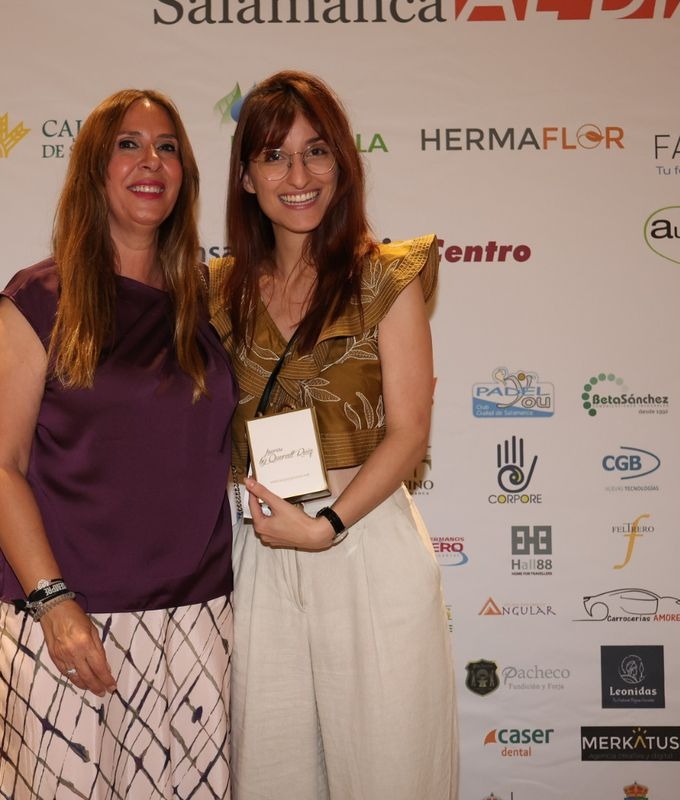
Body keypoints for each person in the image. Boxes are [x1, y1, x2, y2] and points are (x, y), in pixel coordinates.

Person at [0, 88, 236, 800]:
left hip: (197, 621)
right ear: (93, 169)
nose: (152, 161)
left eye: (168, 147)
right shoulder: (36, 301)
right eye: (129, 145)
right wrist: (54, 604)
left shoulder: (206, 306)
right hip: (71, 623)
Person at [209, 70, 458, 799]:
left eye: (316, 151)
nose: (299, 176)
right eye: (274, 156)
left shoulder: (386, 278)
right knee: (271, 777)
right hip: (259, 551)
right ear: (246, 177)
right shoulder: (216, 293)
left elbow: (409, 431)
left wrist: (327, 526)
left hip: (364, 540)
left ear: (343, 163)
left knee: (391, 775)